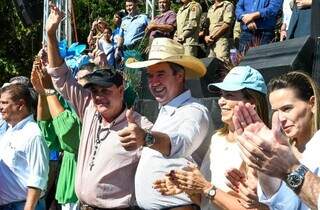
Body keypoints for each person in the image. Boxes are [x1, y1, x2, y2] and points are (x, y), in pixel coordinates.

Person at [45, 4, 152, 209]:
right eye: (94, 91)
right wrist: (51, 34)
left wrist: (147, 138)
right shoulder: (89, 109)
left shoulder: (138, 125)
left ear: (121, 91)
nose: (99, 97)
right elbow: (60, 74)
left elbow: (169, 152)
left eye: (105, 90)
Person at [153, 66, 269, 210]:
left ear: (252, 102)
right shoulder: (217, 139)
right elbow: (205, 200)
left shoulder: (262, 146)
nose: (221, 101)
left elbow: (253, 208)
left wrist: (206, 187)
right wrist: (188, 187)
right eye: (221, 94)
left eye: (230, 95)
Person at [124, 37, 210, 209]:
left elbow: (182, 143)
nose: (154, 82)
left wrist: (147, 138)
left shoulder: (194, 111)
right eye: (150, 76)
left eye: (160, 74)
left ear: (179, 75)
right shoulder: (166, 111)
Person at [231, 71, 320, 210]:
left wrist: (289, 168)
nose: (281, 118)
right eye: (276, 111)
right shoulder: (279, 148)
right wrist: (263, 171)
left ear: (312, 104)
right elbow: (285, 206)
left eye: (287, 108)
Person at [31, 53, 82, 210]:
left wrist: (48, 90)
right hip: (66, 188)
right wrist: (42, 93)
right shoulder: (66, 104)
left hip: (83, 193)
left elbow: (68, 132)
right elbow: (47, 132)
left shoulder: (90, 113)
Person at [0, 83, 49, 210]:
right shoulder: (9, 131)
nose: (1, 107)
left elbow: (38, 178)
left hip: (23, 205)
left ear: (20, 105)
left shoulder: (33, 135)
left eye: (4, 103)